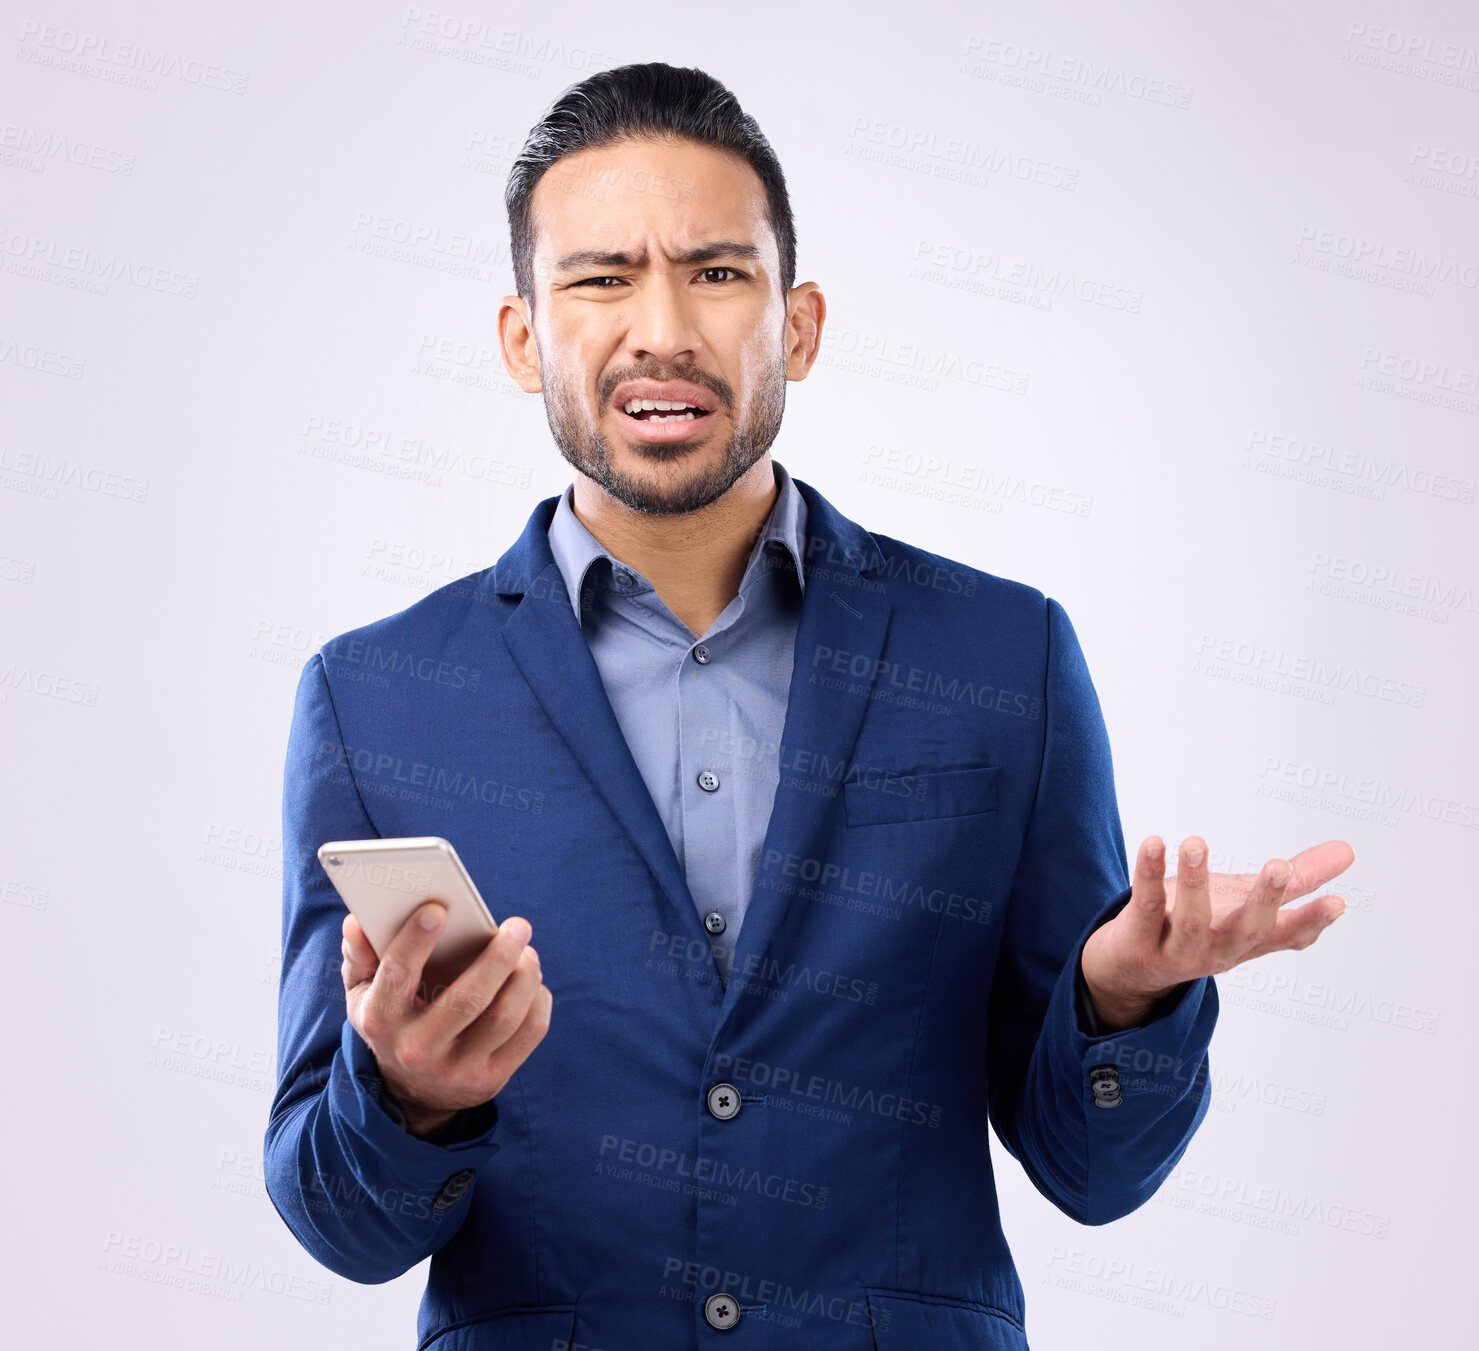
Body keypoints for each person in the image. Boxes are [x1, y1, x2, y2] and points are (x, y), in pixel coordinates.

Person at [265, 62, 1353, 1349]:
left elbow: (1091, 1169)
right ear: (521, 338)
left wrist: (1124, 1004)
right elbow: (339, 1223)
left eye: (717, 273)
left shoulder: (1006, 657)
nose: (660, 327)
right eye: (601, 277)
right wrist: (406, 1097)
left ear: (800, 325)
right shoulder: (378, 697)